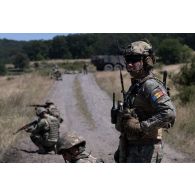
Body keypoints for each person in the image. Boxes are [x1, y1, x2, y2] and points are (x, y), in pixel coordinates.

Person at [114, 40, 176, 163]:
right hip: (133, 146)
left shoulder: (150, 85)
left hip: (145, 150)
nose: (129, 65)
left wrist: (142, 126)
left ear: (147, 61)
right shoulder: (137, 85)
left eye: (134, 60)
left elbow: (169, 113)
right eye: (128, 61)